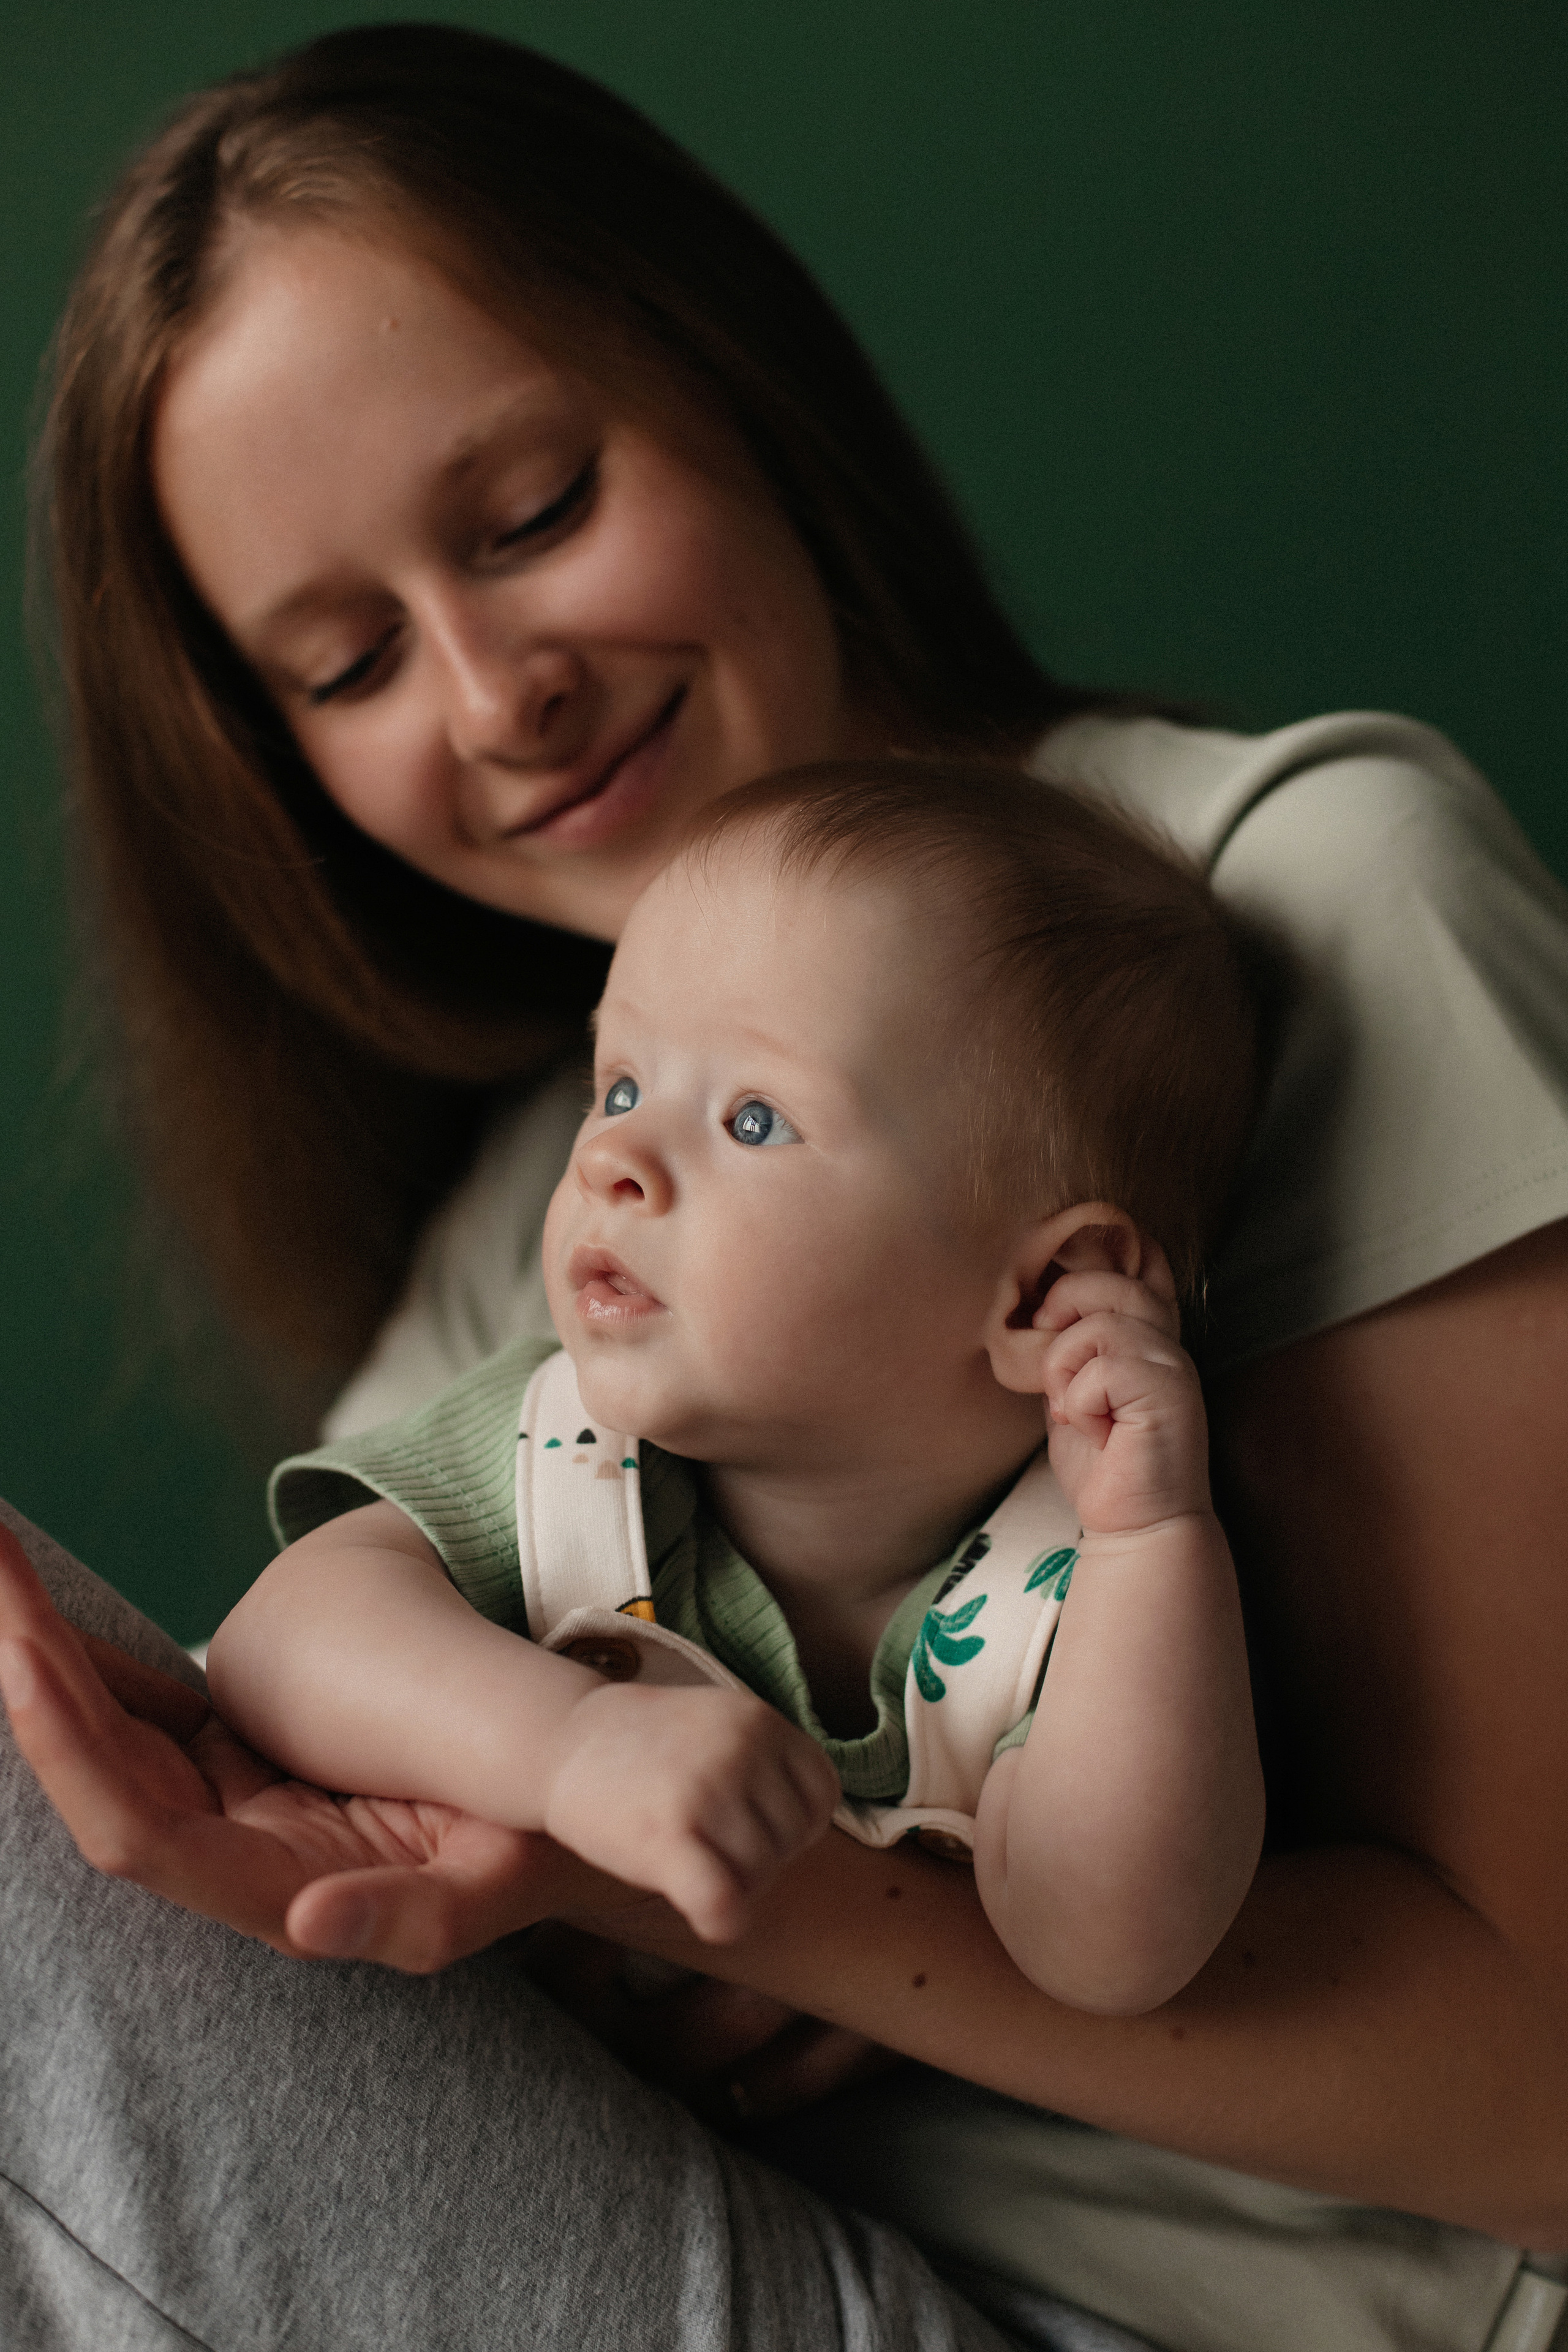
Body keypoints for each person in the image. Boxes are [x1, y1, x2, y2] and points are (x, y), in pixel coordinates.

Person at [2, 21, 1568, 2352]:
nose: (491, 691)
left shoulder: (1304, 901)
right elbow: (323, 1702)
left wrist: (732, 1895)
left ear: (737, 382)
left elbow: (1546, 2086)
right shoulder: (533, 1256)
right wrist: (578, 1884)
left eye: (530, 514)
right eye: (343, 665)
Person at [208, 762, 1265, 2008]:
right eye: (617, 1086)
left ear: (1041, 1296)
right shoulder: (565, 1453)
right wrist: (567, 1746)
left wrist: (1150, 1540)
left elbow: (1109, 1948)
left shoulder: (1074, 1596)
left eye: (752, 1119)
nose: (609, 1156)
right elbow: (272, 1646)